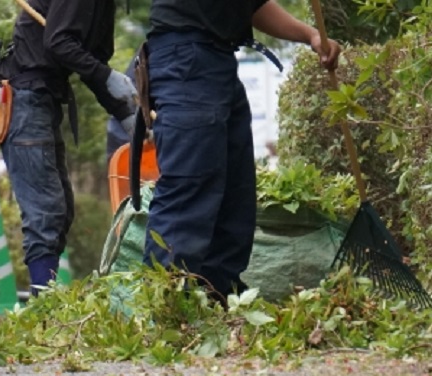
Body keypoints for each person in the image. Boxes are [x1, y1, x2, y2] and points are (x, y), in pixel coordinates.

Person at [142, 1, 342, 305]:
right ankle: (167, 311)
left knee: (235, 196)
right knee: (189, 190)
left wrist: (310, 35)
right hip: (186, 61)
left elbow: (253, 5)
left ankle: (217, 305)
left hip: (217, 60)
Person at [0, 0, 136, 294]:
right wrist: (105, 76)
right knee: (46, 211)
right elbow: (58, 42)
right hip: (24, 98)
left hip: (44, 100)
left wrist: (126, 114)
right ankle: (42, 305)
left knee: (61, 212)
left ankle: (44, 299)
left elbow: (90, 63)